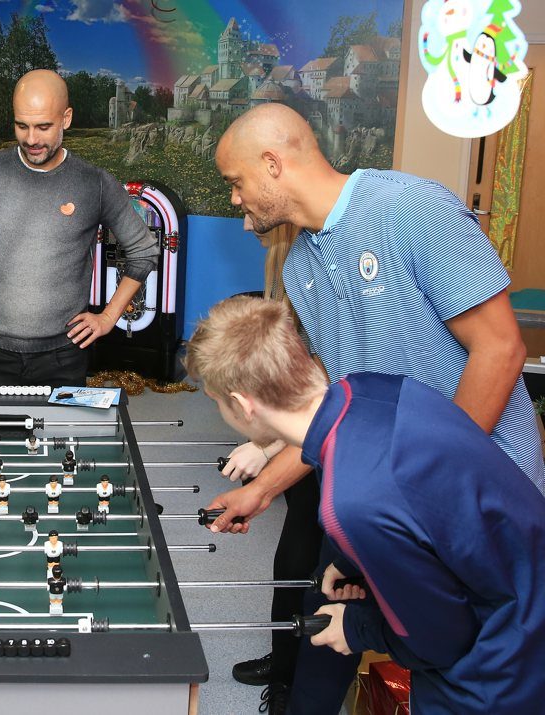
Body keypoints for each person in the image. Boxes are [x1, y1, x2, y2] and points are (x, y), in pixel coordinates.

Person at [209, 103, 545, 714]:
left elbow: (500, 349)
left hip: (474, 501)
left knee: (463, 662)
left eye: (236, 182)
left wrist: (422, 488)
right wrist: (263, 488)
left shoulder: (411, 207)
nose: (235, 199)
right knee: (325, 620)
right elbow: (336, 412)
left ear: (273, 164)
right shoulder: (303, 264)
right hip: (387, 498)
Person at [186, 295, 545, 714]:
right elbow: (423, 503)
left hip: (503, 656)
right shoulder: (370, 387)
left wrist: (355, 629)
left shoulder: (350, 504)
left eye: (217, 401)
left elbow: (441, 639)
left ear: (244, 404)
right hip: (522, 571)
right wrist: (353, 561)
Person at [0, 69, 158, 387]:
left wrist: (108, 317)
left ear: (66, 118)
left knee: (58, 437)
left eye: (43, 126)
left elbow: (144, 252)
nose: (31, 139)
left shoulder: (95, 183)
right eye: (22, 125)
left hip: (64, 355)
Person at [221, 219, 324, 709]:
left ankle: (297, 682)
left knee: (317, 567)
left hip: (327, 442)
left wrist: (264, 451)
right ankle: (284, 660)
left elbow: (317, 387)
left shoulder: (315, 262)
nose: (242, 217)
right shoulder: (283, 261)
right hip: (308, 440)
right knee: (293, 557)